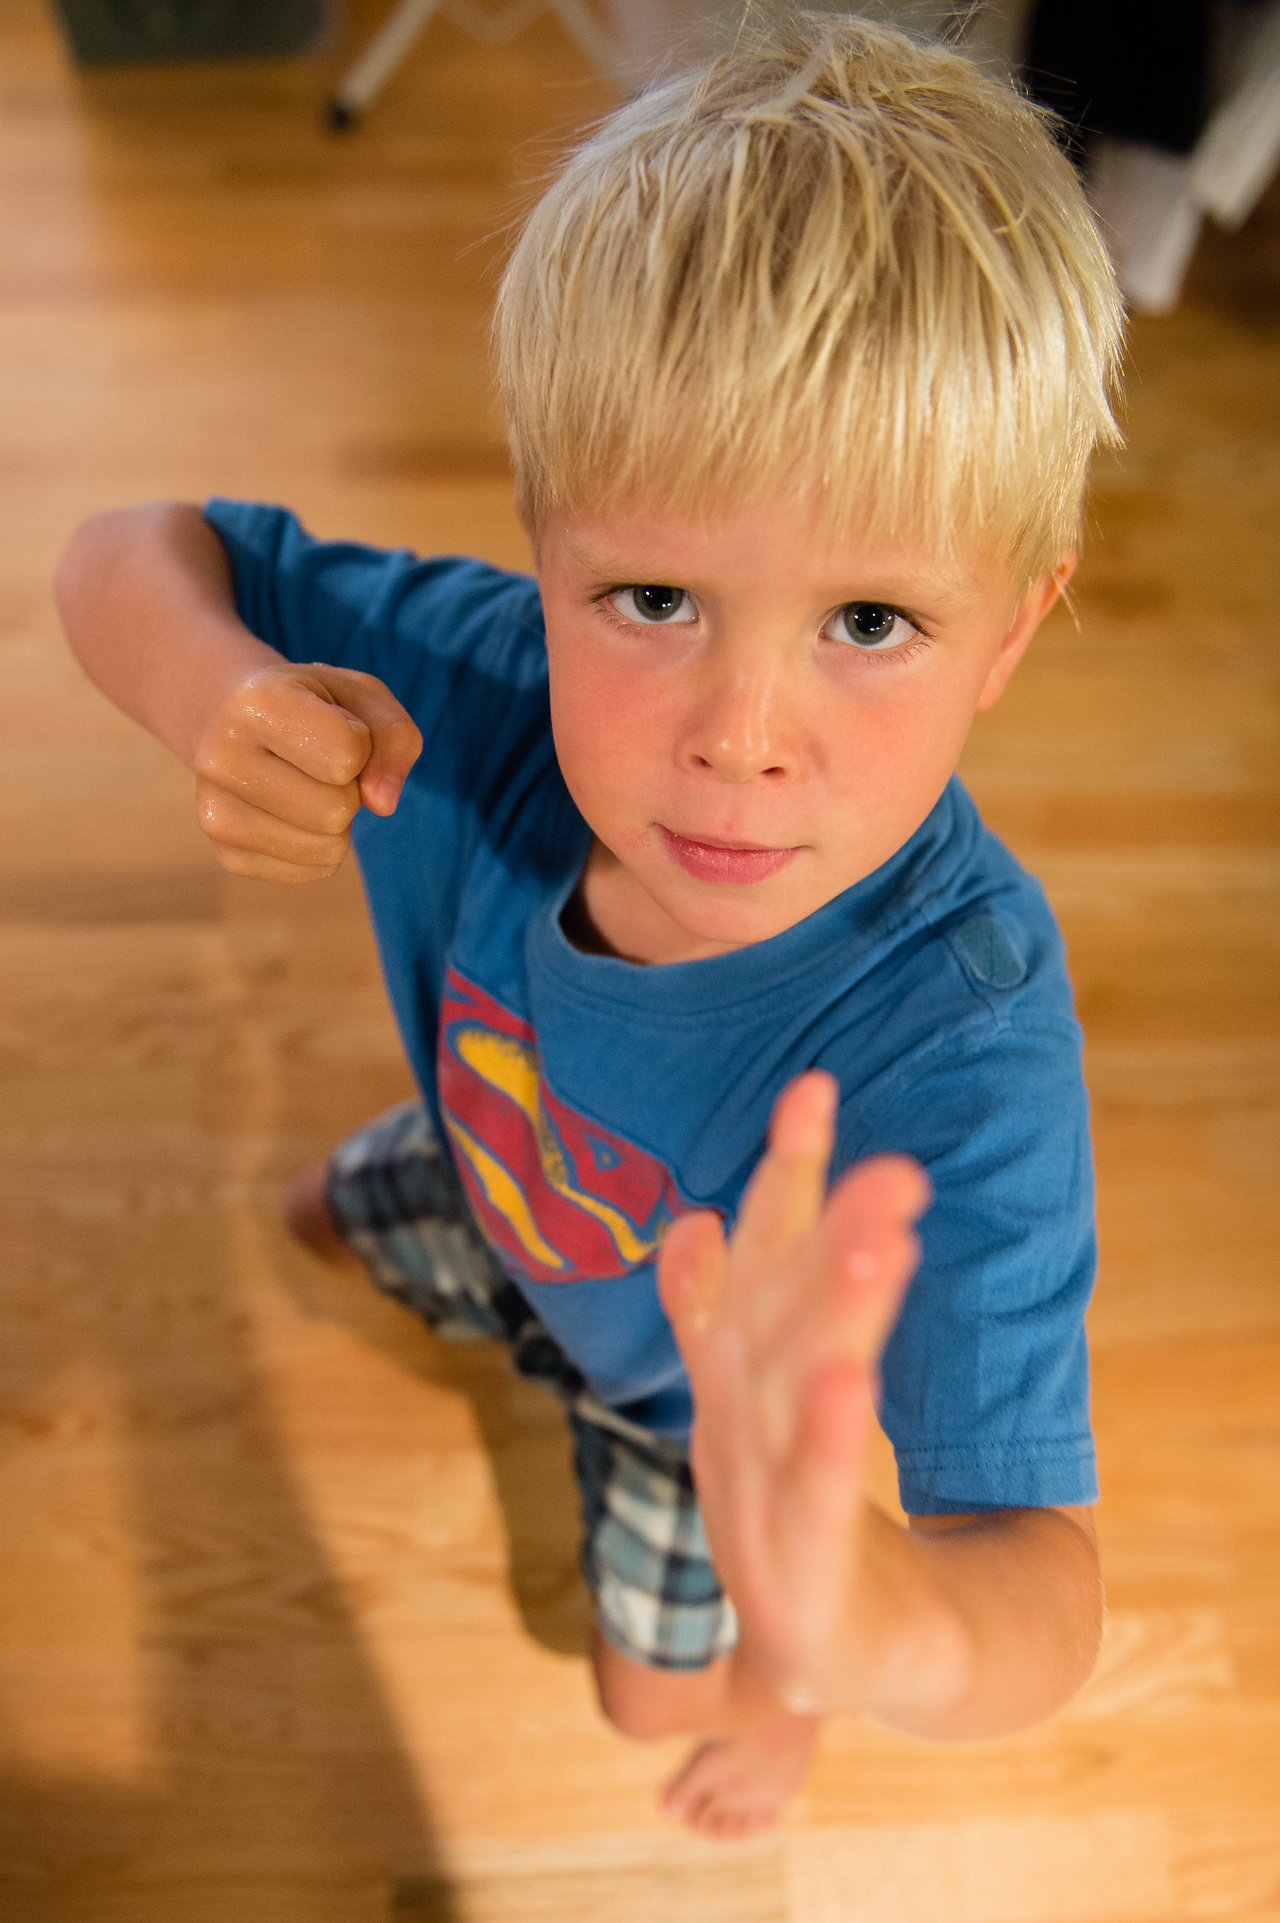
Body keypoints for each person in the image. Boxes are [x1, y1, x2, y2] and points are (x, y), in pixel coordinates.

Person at [54, 8, 1126, 1841]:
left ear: (1014, 630)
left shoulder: (964, 1041)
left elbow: (1034, 1580)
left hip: (686, 1419)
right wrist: (220, 695)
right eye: (649, 597)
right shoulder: (476, 689)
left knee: (654, 1702)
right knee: (326, 1210)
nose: (741, 735)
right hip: (500, 1164)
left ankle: (773, 1701)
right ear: (543, 547)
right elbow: (133, 549)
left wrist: (864, 1624)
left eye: (870, 623)